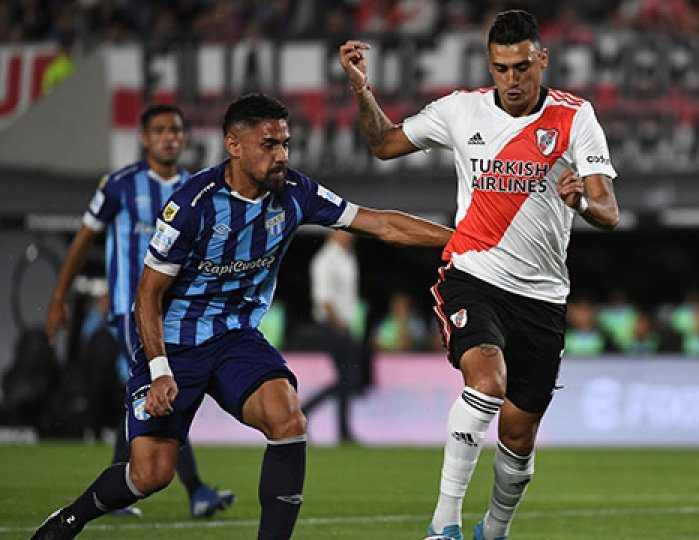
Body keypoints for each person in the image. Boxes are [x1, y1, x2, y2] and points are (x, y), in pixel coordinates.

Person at [31, 93, 453, 540]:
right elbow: (147, 297)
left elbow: (380, 224)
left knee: (288, 418)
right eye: (269, 145)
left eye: (285, 144)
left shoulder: (296, 192)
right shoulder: (193, 205)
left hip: (235, 337)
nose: (282, 156)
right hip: (175, 343)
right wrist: (158, 371)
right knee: (150, 475)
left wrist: (463, 240)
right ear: (233, 144)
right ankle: (68, 520)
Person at [340, 9, 621, 539]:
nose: (511, 80)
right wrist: (361, 90)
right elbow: (383, 145)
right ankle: (443, 525)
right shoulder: (459, 111)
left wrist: (582, 200)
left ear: (542, 59)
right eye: (500, 68)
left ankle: (493, 530)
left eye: (521, 67)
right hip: (473, 274)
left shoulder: (575, 117)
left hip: (542, 298)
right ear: (489, 65)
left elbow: (610, 213)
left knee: (518, 439)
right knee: (486, 383)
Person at [44, 103, 235, 520]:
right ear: (145, 138)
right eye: (161, 130)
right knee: (166, 389)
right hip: (133, 308)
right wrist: (59, 296)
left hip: (183, 313)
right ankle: (196, 490)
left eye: (177, 129)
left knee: (142, 400)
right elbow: (83, 239)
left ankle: (117, 487)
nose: (170, 136)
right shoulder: (119, 185)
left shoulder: (198, 188)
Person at [300, 229, 365, 443]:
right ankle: (307, 411)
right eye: (344, 233)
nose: (350, 236)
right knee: (348, 378)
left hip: (343, 324)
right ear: (333, 235)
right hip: (333, 325)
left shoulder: (347, 257)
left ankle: (343, 430)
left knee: (346, 379)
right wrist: (340, 326)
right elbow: (324, 300)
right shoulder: (325, 260)